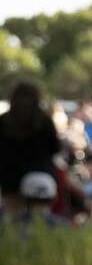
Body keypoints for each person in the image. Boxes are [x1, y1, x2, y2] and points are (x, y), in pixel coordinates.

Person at [0, 82, 61, 218]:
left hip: (10, 179)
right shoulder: (45, 121)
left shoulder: (4, 121)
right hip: (40, 178)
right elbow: (55, 148)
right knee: (38, 223)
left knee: (13, 221)